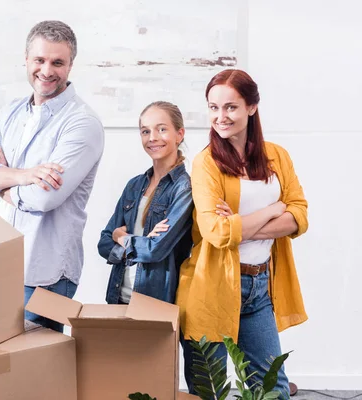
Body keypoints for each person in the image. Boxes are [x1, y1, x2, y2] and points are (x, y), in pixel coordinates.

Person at [0, 20, 105, 332]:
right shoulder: (11, 112)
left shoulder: (82, 124)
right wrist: (24, 175)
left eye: (58, 62)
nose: (47, 70)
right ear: (26, 60)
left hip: (45, 274)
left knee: (38, 375)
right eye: (39, 60)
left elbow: (43, 197)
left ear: (71, 65)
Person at [176, 69, 308, 398]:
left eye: (230, 107)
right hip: (210, 288)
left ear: (251, 107)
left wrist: (240, 222)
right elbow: (216, 232)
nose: (220, 117)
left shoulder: (277, 155)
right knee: (210, 392)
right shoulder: (206, 163)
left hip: (259, 287)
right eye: (213, 107)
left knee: (273, 389)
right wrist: (272, 210)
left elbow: (300, 216)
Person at [98, 101, 193, 305]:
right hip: (118, 298)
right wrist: (135, 241)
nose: (152, 138)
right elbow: (104, 243)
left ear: (180, 134)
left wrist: (121, 237)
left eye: (162, 129)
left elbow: (154, 250)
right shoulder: (134, 185)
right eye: (145, 131)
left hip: (155, 303)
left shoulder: (184, 189)